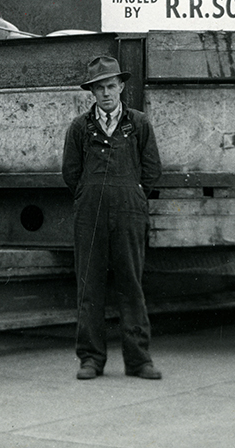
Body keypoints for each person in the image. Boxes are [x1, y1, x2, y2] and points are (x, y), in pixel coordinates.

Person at [61, 55, 163, 381]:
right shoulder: (79, 127)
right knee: (89, 287)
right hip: (89, 214)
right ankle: (91, 359)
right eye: (99, 88)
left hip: (129, 213)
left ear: (121, 86)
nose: (106, 93)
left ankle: (139, 360)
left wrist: (131, 196)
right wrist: (91, 196)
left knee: (130, 285)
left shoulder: (139, 124)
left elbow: (152, 171)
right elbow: (71, 173)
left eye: (110, 86)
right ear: (91, 92)